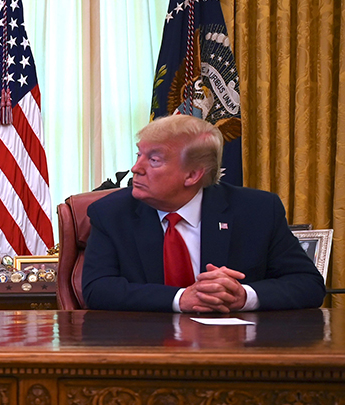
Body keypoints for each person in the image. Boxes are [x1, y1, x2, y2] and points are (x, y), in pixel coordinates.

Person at [81, 114, 325, 313]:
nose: (136, 168)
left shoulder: (257, 210)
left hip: (234, 351)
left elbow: (308, 284)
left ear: (193, 175)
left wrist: (243, 296)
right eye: (139, 155)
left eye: (154, 160)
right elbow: (98, 289)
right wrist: (181, 298)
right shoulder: (111, 213)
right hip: (145, 350)